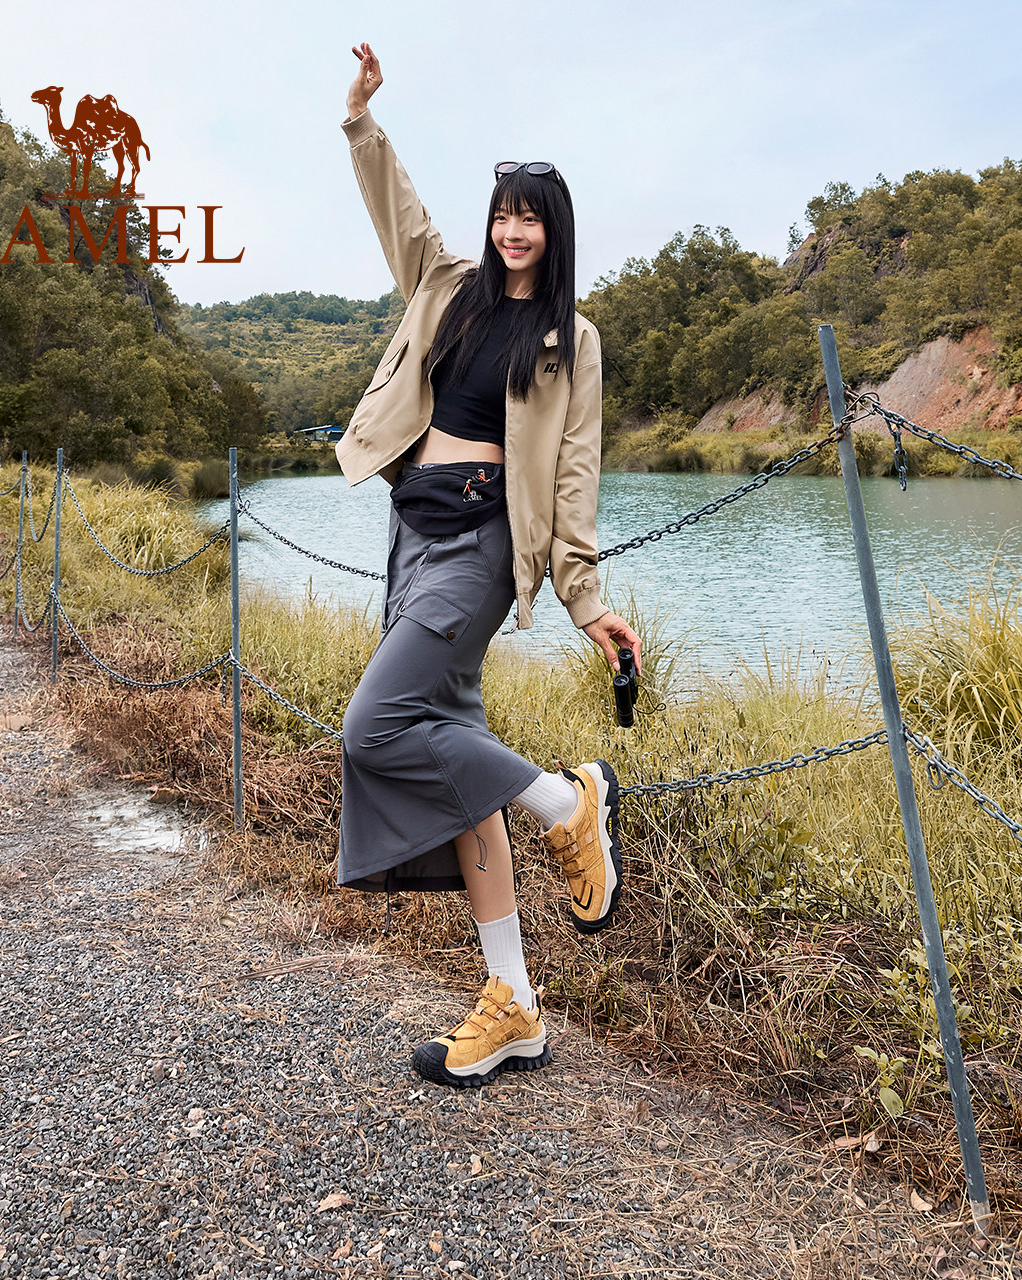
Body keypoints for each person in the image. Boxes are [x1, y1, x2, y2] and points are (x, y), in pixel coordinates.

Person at [336, 42, 642, 1089]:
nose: (513, 230)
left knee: (376, 724)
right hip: (413, 530)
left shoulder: (571, 338)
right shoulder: (449, 285)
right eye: (504, 213)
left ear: (555, 230)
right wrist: (362, 120)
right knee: (459, 766)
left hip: (478, 544)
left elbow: (573, 469)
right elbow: (397, 210)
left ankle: (567, 805)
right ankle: (513, 1003)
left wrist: (585, 598)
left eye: (531, 218)